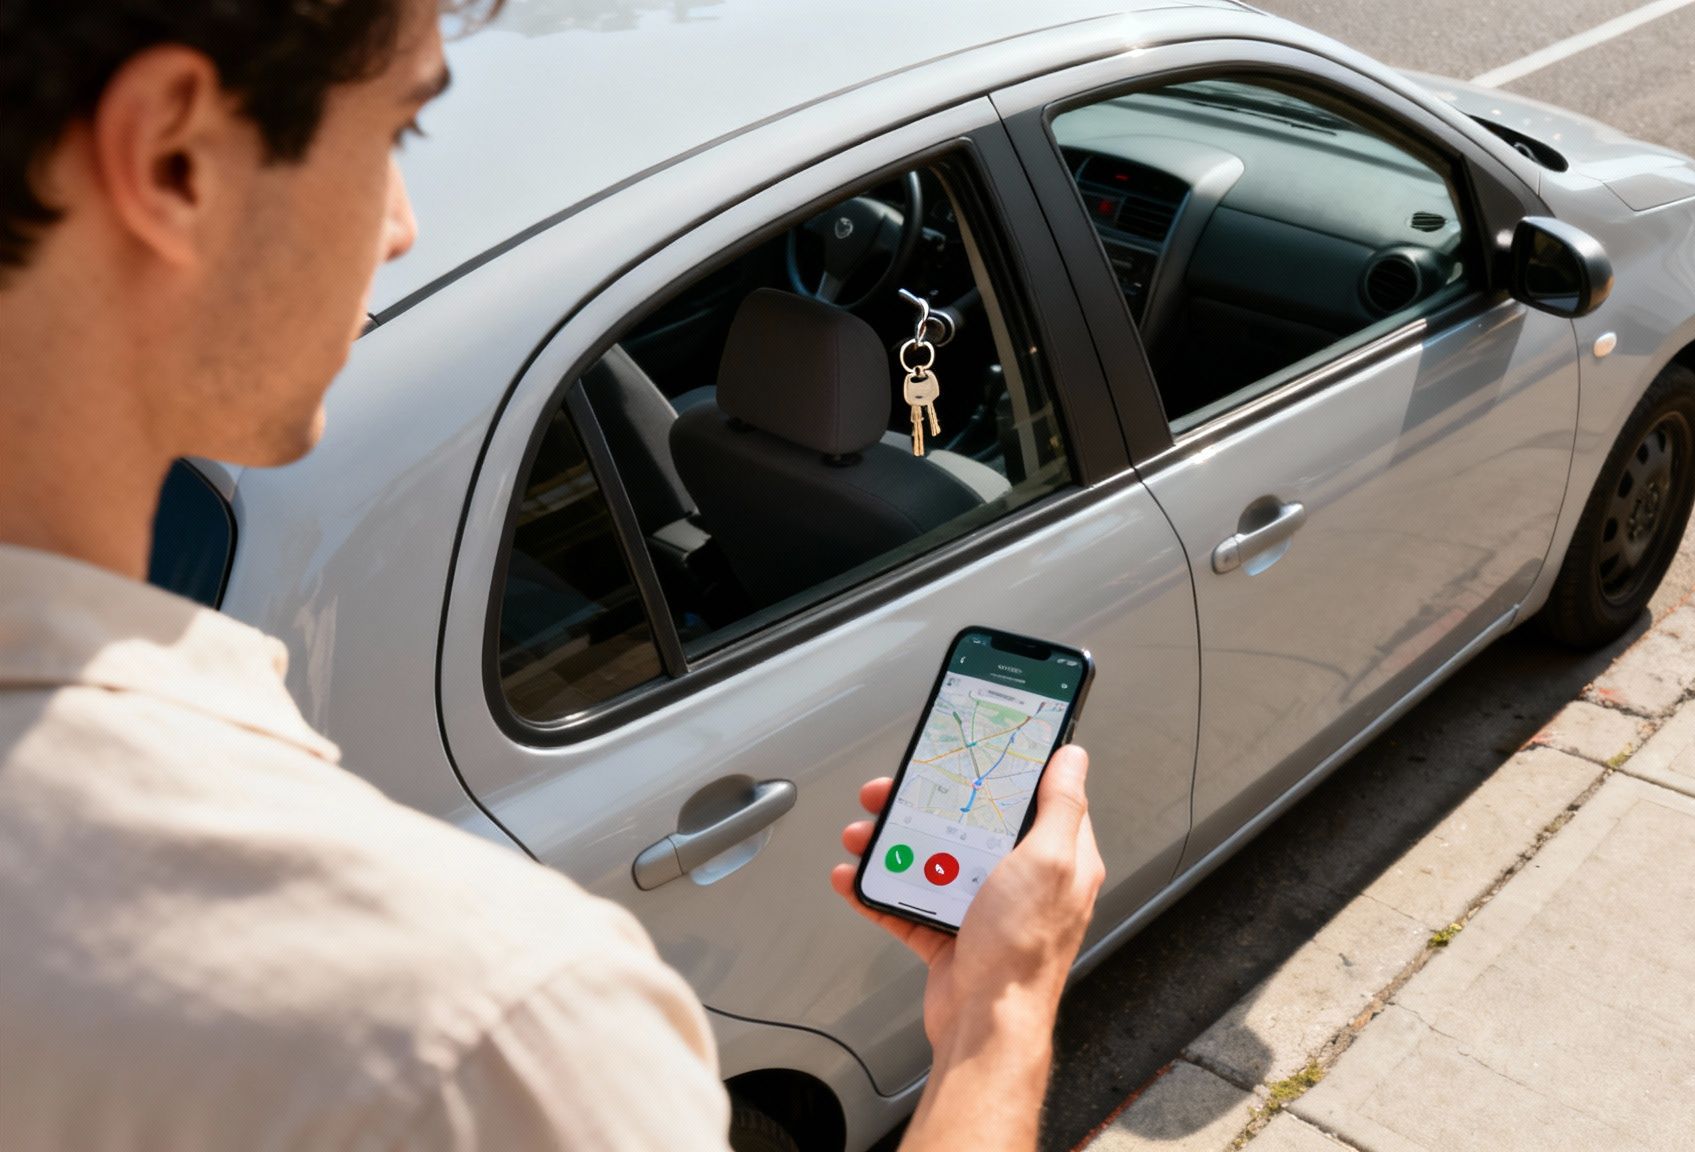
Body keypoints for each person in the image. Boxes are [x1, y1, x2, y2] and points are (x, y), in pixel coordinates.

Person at [0, 1, 1106, 1149]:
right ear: (173, 157)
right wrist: (1001, 1012)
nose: (399, 227)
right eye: (396, 134)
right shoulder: (469, 1025)